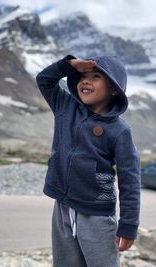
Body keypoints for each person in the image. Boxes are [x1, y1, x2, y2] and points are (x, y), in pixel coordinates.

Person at [35, 54, 141, 267]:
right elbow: (44, 79)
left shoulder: (120, 131)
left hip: (97, 215)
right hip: (62, 208)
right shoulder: (65, 106)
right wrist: (69, 65)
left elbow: (130, 180)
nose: (86, 80)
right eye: (83, 76)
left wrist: (128, 225)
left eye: (95, 77)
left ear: (113, 89)